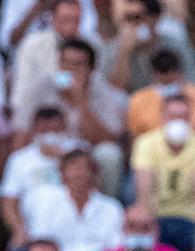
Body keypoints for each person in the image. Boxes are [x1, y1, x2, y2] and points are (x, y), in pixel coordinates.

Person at [13, 37, 126, 196]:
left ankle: (103, 209)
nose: (69, 70)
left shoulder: (103, 92)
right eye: (64, 63)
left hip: (85, 158)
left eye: (77, 65)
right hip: (44, 154)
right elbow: (21, 136)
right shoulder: (40, 87)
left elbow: (107, 139)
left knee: (109, 154)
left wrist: (80, 100)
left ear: (91, 70)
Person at [20, 147, 124, 251]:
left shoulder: (112, 209)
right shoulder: (46, 206)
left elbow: (115, 250)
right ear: (62, 174)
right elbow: (42, 245)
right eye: (74, 168)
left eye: (84, 168)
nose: (79, 174)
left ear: (94, 174)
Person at [132, 93, 195, 251]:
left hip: (191, 218)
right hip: (157, 216)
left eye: (183, 116)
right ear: (163, 118)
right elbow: (144, 193)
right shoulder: (145, 142)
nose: (178, 121)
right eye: (172, 116)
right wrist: (148, 234)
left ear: (190, 118)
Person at [0, 108, 73, 251]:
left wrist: (62, 159)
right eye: (44, 130)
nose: (50, 135)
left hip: (70, 223)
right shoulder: (19, 159)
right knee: (17, 246)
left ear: (64, 128)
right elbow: (8, 202)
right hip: (32, 227)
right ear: (34, 131)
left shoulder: (76, 152)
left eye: (54, 130)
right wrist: (18, 229)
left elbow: (91, 188)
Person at [11, 0, 89, 123]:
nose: (71, 25)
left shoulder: (89, 46)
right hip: (36, 115)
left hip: (76, 116)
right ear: (53, 19)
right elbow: (22, 93)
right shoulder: (33, 44)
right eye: (65, 19)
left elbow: (93, 84)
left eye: (75, 20)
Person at [127, 48, 195, 141]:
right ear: (154, 75)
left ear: (180, 72)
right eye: (163, 77)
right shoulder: (138, 100)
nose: (168, 79)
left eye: (171, 76)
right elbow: (135, 137)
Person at [104, 0, 195, 94]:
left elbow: (191, 85)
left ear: (156, 18)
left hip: (169, 102)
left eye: (137, 17)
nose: (133, 24)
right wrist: (125, 52)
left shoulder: (174, 46)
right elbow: (114, 90)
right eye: (128, 18)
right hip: (131, 104)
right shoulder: (114, 48)